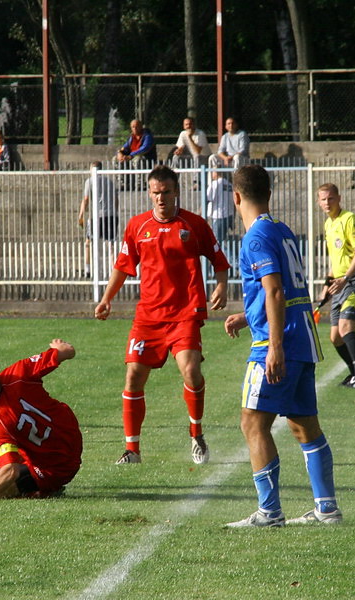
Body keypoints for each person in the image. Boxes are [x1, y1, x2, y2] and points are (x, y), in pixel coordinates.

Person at [223, 165, 342, 528]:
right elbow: (284, 290)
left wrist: (273, 346)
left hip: (279, 342)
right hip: (303, 339)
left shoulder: (255, 238)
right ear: (269, 194)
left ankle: (269, 511)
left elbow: (274, 289)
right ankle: (326, 509)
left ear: (236, 197)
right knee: (304, 426)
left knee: (252, 423)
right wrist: (248, 315)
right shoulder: (282, 230)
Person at [95, 165, 230, 465]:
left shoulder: (194, 225)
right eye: (155, 192)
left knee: (191, 372)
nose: (160, 198)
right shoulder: (137, 226)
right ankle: (132, 451)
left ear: (176, 191)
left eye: (166, 192)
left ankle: (196, 434)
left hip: (185, 313)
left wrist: (221, 285)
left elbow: (219, 259)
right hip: (149, 317)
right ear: (149, 193)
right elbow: (122, 265)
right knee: (133, 377)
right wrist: (106, 299)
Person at [0, 339, 83, 504]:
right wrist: (57, 349)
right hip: (72, 439)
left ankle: (40, 490)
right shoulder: (19, 372)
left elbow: (10, 471)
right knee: (13, 456)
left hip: (54, 471)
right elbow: (68, 350)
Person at [316, 183, 355, 388]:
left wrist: (345, 279)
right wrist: (327, 285)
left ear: (339, 198)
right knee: (335, 337)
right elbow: (335, 260)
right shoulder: (328, 224)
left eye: (330, 198)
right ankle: (353, 373)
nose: (327, 203)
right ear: (318, 202)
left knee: (346, 327)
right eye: (323, 199)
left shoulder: (349, 219)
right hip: (339, 282)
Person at [77, 161, 119, 278]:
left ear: (92, 169)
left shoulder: (89, 181)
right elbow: (115, 199)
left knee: (88, 242)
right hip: (111, 215)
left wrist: (81, 215)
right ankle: (114, 270)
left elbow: (86, 199)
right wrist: (114, 212)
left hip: (97, 216)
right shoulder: (110, 182)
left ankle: (88, 270)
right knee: (111, 244)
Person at [170, 116, 211, 186]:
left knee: (196, 156)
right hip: (191, 158)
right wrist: (179, 151)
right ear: (183, 126)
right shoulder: (182, 134)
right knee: (176, 157)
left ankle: (197, 182)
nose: (188, 126)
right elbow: (181, 147)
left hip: (204, 158)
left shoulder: (200, 134)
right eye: (186, 124)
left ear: (194, 125)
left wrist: (190, 137)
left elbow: (197, 151)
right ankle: (173, 180)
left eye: (190, 124)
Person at [205, 169, 234, 243]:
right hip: (229, 215)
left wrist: (202, 214)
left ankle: (229, 255)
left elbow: (207, 199)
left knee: (217, 243)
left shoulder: (215, 184)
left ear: (216, 172)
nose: (211, 174)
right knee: (222, 240)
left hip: (219, 216)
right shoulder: (230, 185)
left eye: (212, 172)